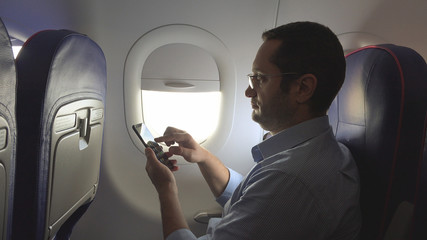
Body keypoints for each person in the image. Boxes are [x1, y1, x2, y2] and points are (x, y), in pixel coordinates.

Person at [145, 21, 361, 239]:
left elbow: (271, 193)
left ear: (303, 88)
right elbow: (253, 193)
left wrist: (166, 189)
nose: (249, 92)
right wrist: (203, 157)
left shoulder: (290, 181)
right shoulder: (315, 150)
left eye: (260, 78)